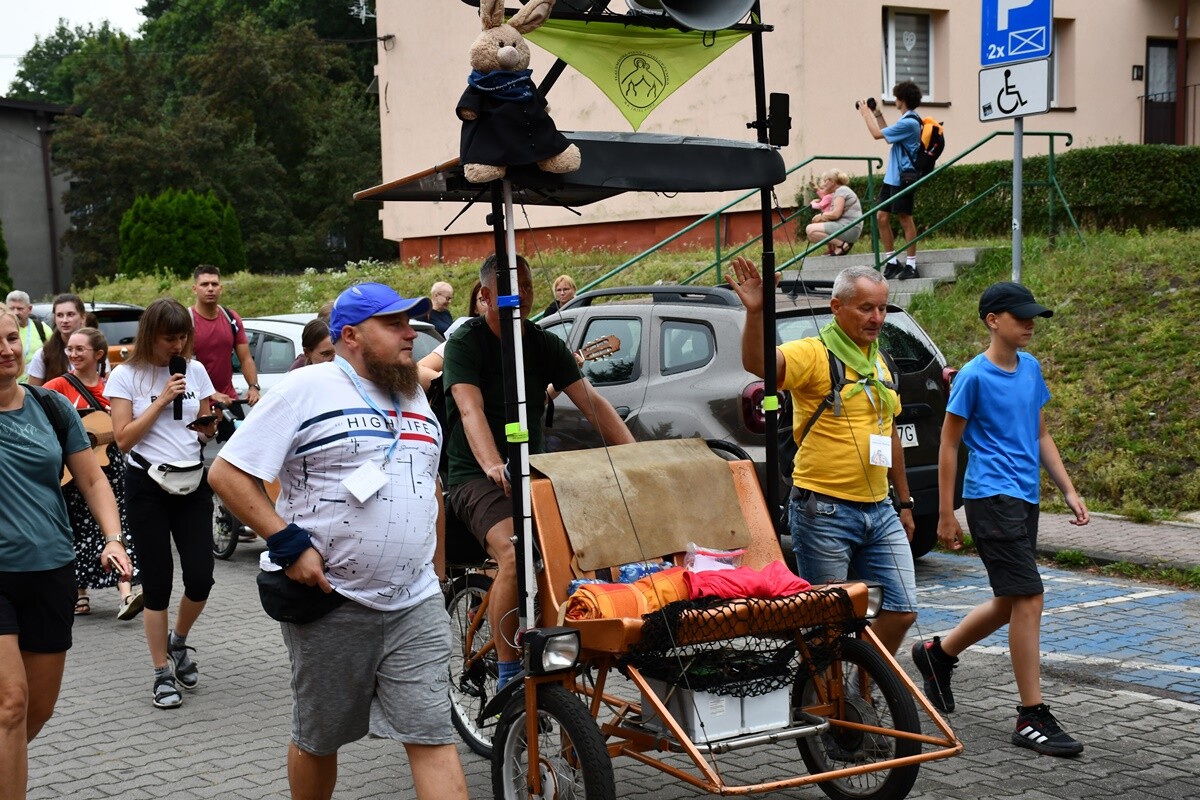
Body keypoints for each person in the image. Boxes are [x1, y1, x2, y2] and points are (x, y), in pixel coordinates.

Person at [207, 283, 469, 800]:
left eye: (409, 322)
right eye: (393, 324)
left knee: (432, 735)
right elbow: (227, 473)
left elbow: (429, 486)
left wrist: (437, 578)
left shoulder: (414, 395)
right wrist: (288, 544)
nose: (409, 332)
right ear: (350, 336)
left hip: (414, 603)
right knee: (319, 739)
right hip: (332, 601)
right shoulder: (304, 389)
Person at [911, 281, 1089, 757]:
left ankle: (937, 654)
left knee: (1013, 599)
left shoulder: (1030, 369)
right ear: (993, 320)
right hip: (990, 496)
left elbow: (1040, 435)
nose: (1030, 323)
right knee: (1029, 595)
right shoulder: (973, 376)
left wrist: (1068, 489)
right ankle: (1031, 714)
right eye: (1021, 316)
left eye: (1033, 316)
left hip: (1024, 497)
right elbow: (948, 444)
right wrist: (946, 513)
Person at [444, 255, 634, 688]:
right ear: (486, 296)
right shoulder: (466, 343)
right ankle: (510, 674)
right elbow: (468, 407)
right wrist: (491, 461)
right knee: (516, 553)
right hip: (474, 475)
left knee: (577, 552)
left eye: (528, 286)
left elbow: (592, 402)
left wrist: (635, 454)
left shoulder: (542, 342)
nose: (524, 295)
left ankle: (561, 643)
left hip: (534, 469)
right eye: (514, 287)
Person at [728, 257, 917, 655]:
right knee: (827, 625)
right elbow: (758, 365)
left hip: (880, 510)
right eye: (866, 308)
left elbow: (890, 433)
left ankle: (855, 681)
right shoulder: (815, 354)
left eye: (882, 308)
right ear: (836, 307)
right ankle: (820, 698)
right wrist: (758, 313)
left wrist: (904, 501)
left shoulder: (879, 362)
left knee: (901, 609)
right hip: (824, 511)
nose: (877, 318)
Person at [0, 305, 132, 800]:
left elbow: (92, 477)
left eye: (12, 338)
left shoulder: (50, 407)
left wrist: (112, 537)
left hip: (52, 570)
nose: (7, 350)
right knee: (9, 705)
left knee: (37, 710)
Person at [106, 298, 220, 710]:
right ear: (150, 335)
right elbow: (122, 439)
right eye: (169, 337)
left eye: (182, 337)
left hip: (191, 481)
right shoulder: (126, 376)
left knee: (201, 578)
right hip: (147, 485)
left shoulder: (197, 370)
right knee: (157, 584)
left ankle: (179, 640)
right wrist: (160, 399)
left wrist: (210, 425)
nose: (178, 345)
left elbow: (203, 424)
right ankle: (161, 673)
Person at [43, 327, 143, 621]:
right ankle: (79, 592)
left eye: (79, 349)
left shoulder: (112, 387)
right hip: (72, 472)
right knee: (76, 530)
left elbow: (124, 425)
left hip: (111, 467)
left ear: (98, 355)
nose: (73, 354)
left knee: (115, 526)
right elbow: (41, 422)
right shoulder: (57, 386)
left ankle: (126, 591)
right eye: (70, 349)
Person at [859, 81, 924, 281]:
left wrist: (866, 114)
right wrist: (877, 113)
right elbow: (888, 137)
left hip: (904, 177)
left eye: (896, 97)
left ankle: (911, 264)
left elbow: (877, 135)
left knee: (905, 218)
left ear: (902, 100)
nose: (895, 100)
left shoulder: (910, 122)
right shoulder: (906, 120)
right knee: (881, 217)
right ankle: (892, 261)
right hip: (892, 177)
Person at [189, 264, 261, 407]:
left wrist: (253, 386)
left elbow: (246, 358)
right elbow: (181, 367)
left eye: (214, 284)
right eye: (204, 284)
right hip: (197, 403)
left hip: (229, 400)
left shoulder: (231, 318)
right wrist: (211, 393)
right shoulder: (186, 321)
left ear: (220, 288)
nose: (210, 288)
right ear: (194, 289)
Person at [25, 294, 86, 387]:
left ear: (83, 317)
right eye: (60, 315)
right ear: (55, 318)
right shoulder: (43, 355)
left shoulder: (94, 351)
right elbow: (33, 396)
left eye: (70, 314)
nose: (64, 320)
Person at [806, 169, 864, 257]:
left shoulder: (841, 191)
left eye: (825, 181)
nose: (823, 184)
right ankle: (835, 247)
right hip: (848, 227)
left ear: (832, 182)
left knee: (810, 229)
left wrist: (821, 216)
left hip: (849, 227)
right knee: (811, 235)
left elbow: (836, 214)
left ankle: (841, 245)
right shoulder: (839, 191)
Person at [5, 291, 52, 384]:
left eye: (20, 308)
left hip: (36, 389)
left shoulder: (42, 329)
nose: (16, 312)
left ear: (29, 309)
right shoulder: (2, 331)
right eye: (11, 308)